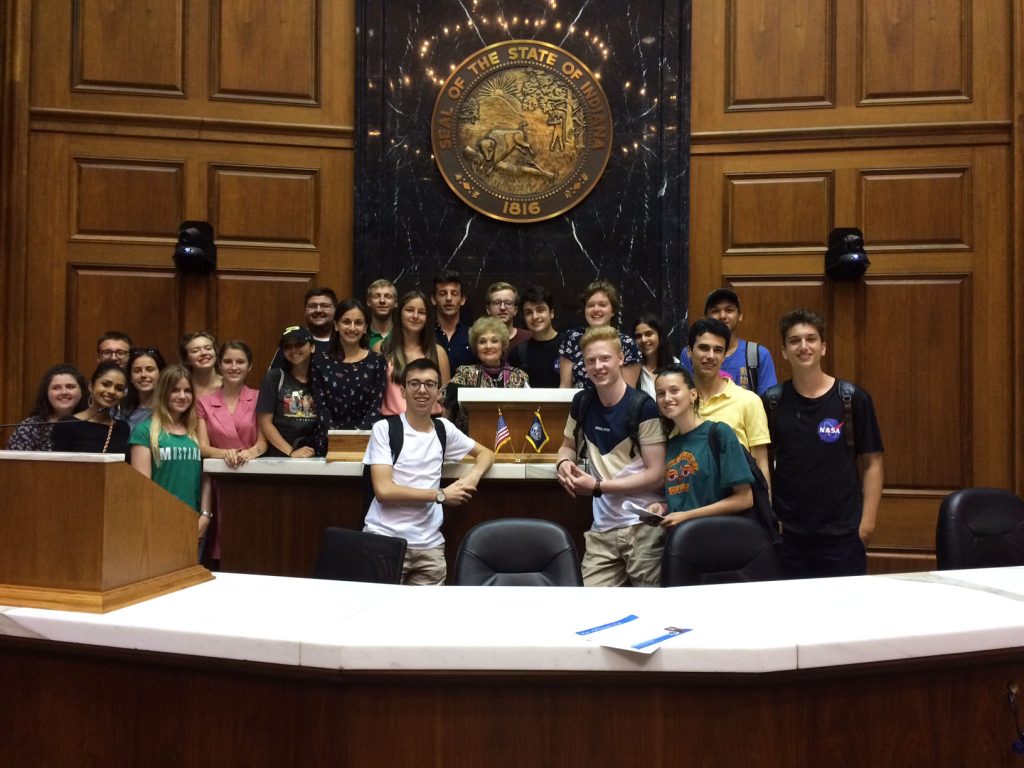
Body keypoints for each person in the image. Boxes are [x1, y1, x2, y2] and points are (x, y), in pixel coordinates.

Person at [765, 308, 884, 579]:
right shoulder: (772, 402)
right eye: (794, 340)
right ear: (783, 351)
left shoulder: (852, 399)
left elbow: (873, 463)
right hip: (790, 537)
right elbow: (764, 465)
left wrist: (866, 525)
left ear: (824, 347)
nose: (803, 346)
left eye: (811, 339)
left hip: (843, 535)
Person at [363, 358, 494, 585]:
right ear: (403, 391)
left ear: (438, 392)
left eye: (430, 384)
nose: (422, 390)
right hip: (385, 541)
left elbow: (487, 454)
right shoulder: (385, 429)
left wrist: (471, 477)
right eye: (414, 384)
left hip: (430, 547)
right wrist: (440, 495)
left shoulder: (444, 429)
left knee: (427, 617)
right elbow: (384, 490)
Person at [554, 326, 666, 587]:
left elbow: (657, 475)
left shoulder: (643, 407)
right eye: (591, 360)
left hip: (643, 526)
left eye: (605, 358)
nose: (598, 366)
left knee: (653, 609)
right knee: (589, 611)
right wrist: (563, 463)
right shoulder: (582, 402)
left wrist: (597, 487)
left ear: (620, 359)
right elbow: (567, 445)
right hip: (602, 529)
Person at [648, 365, 753, 527]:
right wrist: (662, 508)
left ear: (693, 395)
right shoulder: (670, 445)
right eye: (660, 394)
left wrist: (687, 516)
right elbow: (687, 499)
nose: (667, 398)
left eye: (674, 390)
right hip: (680, 543)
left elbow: (744, 499)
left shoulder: (719, 433)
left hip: (718, 537)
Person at [686, 318, 772, 491]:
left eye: (718, 350)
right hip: (690, 507)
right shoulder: (679, 401)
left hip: (737, 509)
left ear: (724, 356)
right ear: (689, 352)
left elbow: (761, 464)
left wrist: (765, 514)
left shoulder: (748, 401)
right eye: (704, 348)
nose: (711, 356)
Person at [129, 365, 209, 551]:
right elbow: (142, 486)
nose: (182, 396)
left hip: (194, 522)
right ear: (164, 392)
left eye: (187, 390)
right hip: (158, 523)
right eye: (175, 390)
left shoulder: (196, 430)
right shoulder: (145, 431)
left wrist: (205, 515)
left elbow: (207, 477)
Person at [680, 288, 778, 395]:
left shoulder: (758, 355)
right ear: (705, 317)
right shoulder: (689, 354)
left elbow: (769, 403)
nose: (722, 316)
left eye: (729, 310)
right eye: (715, 311)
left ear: (740, 315)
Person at [441, 316, 530, 431]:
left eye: (494, 341)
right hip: (472, 441)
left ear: (502, 345)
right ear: (476, 347)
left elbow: (528, 413)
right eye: (482, 342)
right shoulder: (465, 373)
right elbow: (445, 396)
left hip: (511, 439)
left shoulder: (519, 376)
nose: (488, 346)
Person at [315, 298, 387, 432]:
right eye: (346, 322)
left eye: (358, 323)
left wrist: (356, 436)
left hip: (366, 439)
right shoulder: (320, 362)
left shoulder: (377, 362)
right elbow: (321, 406)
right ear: (336, 325)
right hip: (327, 439)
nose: (352, 328)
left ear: (365, 328)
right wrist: (335, 435)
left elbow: (376, 405)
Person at [376, 290, 451, 415]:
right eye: (410, 310)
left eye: (422, 312)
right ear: (400, 313)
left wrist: (444, 431)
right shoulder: (382, 349)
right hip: (393, 425)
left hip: (431, 424)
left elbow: (447, 401)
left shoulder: (438, 352)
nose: (415, 316)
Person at [559, 279, 642, 389]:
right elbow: (565, 386)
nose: (596, 309)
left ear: (612, 311)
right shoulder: (572, 338)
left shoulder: (627, 344)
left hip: (615, 405)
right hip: (579, 404)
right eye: (590, 305)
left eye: (602, 305)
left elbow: (629, 393)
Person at [197, 341, 265, 468]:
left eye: (240, 362)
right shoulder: (203, 402)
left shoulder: (259, 397)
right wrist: (225, 454)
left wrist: (252, 452)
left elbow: (263, 441)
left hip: (253, 471)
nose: (234, 367)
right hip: (217, 474)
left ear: (249, 366)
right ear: (219, 365)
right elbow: (203, 448)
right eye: (228, 362)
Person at [258, 326, 320, 457]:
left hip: (315, 455)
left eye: (299, 344)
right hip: (280, 457)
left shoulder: (321, 380)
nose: (293, 350)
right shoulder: (274, 377)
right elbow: (264, 422)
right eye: (288, 346)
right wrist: (291, 452)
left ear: (312, 347)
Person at [52, 362, 131, 454]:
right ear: (91, 386)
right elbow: (58, 466)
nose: (112, 391)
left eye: (119, 389)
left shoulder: (122, 428)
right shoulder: (67, 425)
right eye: (105, 384)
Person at [6, 364, 88, 451]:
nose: (64, 392)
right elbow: (13, 463)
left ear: (82, 390)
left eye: (70, 387)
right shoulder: (31, 427)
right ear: (47, 393)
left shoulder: (92, 423)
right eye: (56, 388)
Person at [268, 287, 340, 370]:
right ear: (305, 311)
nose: (318, 310)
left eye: (325, 306)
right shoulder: (292, 340)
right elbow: (273, 379)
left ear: (336, 310)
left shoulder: (345, 341)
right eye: (312, 306)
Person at [509, 284, 562, 387]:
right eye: (528, 312)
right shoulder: (518, 353)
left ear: (551, 313)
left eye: (540, 310)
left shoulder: (568, 346)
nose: (535, 316)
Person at [431, 270, 475, 371]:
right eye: (443, 293)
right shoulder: (425, 335)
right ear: (433, 299)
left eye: (454, 294)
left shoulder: (473, 335)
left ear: (463, 299)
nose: (449, 298)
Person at [634, 312, 678, 398]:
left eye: (649, 334)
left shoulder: (676, 365)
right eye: (638, 336)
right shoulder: (633, 369)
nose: (643, 340)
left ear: (659, 335)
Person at [122, 347, 167, 429]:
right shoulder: (120, 408)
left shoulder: (171, 407)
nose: (143, 375)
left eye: (150, 370)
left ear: (161, 374)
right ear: (130, 377)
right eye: (137, 370)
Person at [484, 281, 532, 352]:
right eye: (497, 303)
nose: (502, 308)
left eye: (508, 303)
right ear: (488, 309)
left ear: (515, 310)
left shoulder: (528, 338)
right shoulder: (481, 340)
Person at [180, 331, 222, 399]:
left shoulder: (229, 385)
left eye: (208, 348)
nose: (204, 353)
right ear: (186, 360)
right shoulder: (181, 387)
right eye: (195, 351)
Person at [366, 278, 397, 350]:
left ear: (395, 302)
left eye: (387, 296)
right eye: (376, 296)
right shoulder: (360, 335)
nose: (382, 301)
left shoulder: (402, 335)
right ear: (368, 302)